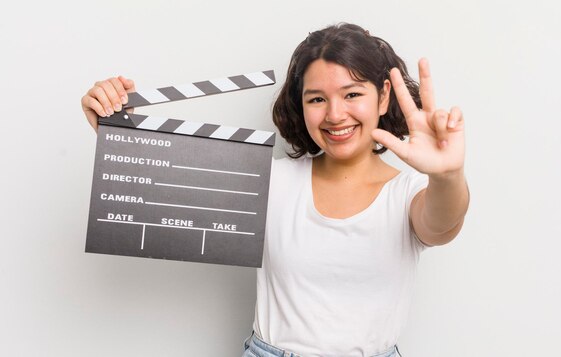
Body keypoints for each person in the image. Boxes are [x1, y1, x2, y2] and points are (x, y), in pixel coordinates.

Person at [81, 23, 469, 357]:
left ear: (383, 95)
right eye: (317, 99)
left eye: (352, 94)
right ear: (301, 106)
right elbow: (167, 188)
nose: (335, 115)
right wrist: (117, 129)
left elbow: (441, 223)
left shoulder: (410, 193)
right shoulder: (271, 181)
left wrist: (448, 175)